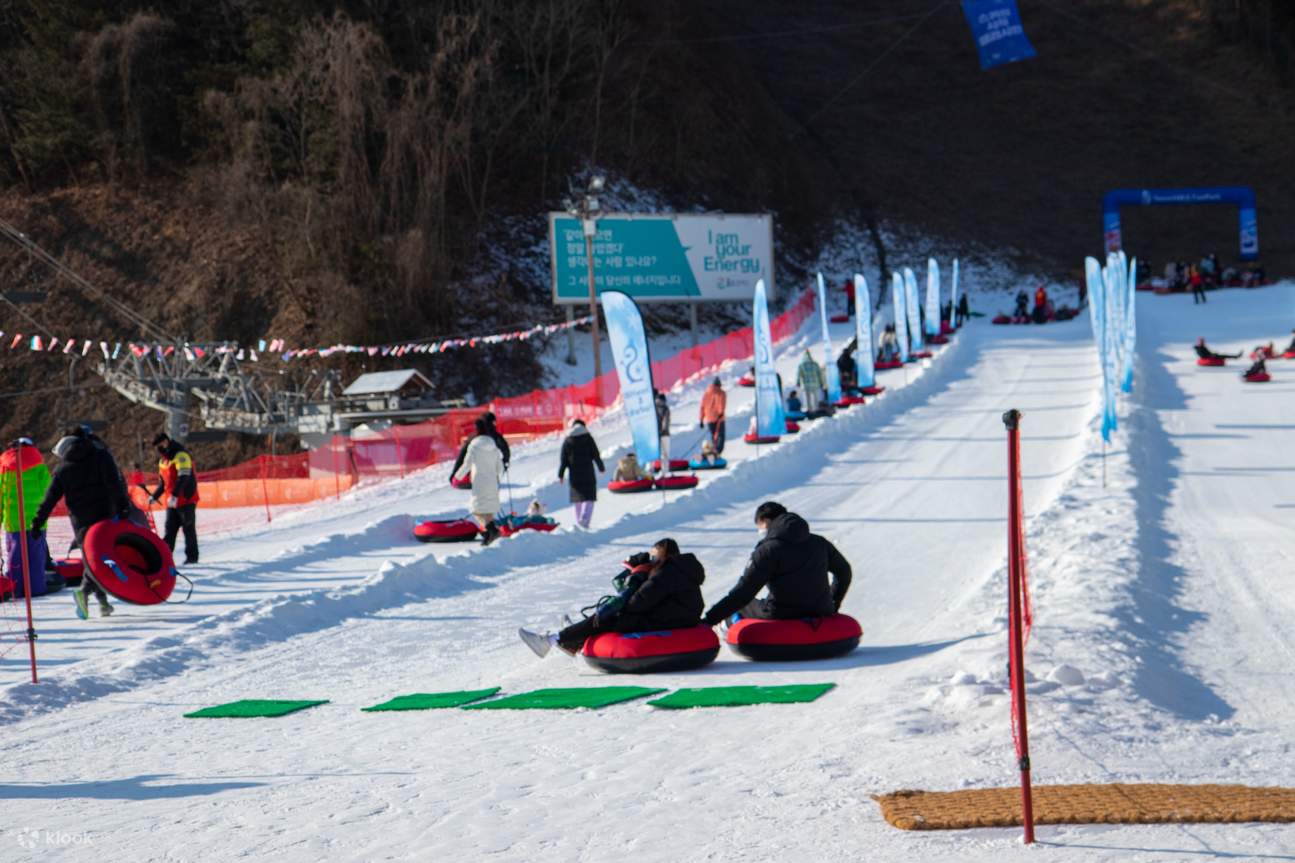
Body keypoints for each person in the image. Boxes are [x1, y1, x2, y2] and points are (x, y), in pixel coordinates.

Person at [518, 538, 704, 657]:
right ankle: (572, 640)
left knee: (609, 618)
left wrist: (636, 578)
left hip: (672, 620)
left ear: (662, 556)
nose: (651, 561)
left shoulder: (665, 574)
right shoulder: (681, 568)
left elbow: (637, 603)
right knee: (613, 617)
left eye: (654, 557)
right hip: (681, 617)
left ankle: (552, 640)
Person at [30, 426, 132, 619]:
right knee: (104, 557)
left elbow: (50, 498)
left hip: (81, 521)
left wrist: (38, 522)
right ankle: (86, 592)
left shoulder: (63, 468)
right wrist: (123, 507)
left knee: (92, 557)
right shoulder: (102, 457)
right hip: (105, 516)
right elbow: (114, 483)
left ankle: (102, 602)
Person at [701, 501, 852, 627]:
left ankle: (732, 629)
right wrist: (833, 602)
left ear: (766, 521)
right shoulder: (819, 542)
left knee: (743, 606)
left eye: (759, 527)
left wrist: (710, 620)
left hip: (781, 613)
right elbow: (844, 571)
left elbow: (744, 592)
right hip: (821, 610)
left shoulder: (767, 550)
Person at [1, 438, 51, 598]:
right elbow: (48, 490)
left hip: (14, 521)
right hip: (37, 520)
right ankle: (37, 589)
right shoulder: (39, 465)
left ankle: (15, 589)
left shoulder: (5, 466)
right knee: (36, 556)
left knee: (15, 557)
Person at [148, 432, 200, 565]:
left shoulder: (181, 455)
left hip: (186, 499)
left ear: (166, 442)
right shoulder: (163, 461)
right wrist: (154, 496)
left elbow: (184, 477)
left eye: (159, 445)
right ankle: (165, 558)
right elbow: (163, 483)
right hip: (171, 502)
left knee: (188, 530)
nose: (158, 450)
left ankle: (192, 558)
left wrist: (176, 495)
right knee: (169, 530)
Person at [452, 417, 503, 545]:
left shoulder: (474, 446)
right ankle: (488, 535)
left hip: (479, 482)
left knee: (476, 510)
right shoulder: (493, 446)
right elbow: (500, 467)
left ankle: (492, 530)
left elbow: (467, 464)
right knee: (488, 510)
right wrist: (497, 477)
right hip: (493, 482)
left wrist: (456, 477)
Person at [558, 418, 604, 529]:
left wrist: (561, 474)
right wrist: (601, 467)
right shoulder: (588, 438)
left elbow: (563, 459)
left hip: (574, 474)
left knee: (577, 498)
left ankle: (579, 521)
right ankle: (585, 520)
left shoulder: (568, 440)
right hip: (588, 472)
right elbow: (595, 454)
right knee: (589, 497)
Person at [450, 411, 509, 480]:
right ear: (492, 423)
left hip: (471, 474)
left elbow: (462, 456)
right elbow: (505, 451)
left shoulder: (473, 436)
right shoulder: (495, 436)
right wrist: (504, 463)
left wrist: (455, 474)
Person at [699, 377, 727, 454]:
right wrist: (721, 413)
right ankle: (717, 452)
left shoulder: (706, 393)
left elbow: (702, 407)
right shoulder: (721, 393)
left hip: (709, 419)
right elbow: (722, 403)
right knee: (720, 435)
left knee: (713, 436)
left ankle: (713, 450)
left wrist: (701, 419)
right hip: (719, 418)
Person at [654, 389, 671, 468]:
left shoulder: (652, 408)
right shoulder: (665, 408)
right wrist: (664, 430)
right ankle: (664, 470)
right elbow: (666, 421)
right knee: (665, 453)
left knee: (654, 453)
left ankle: (652, 470)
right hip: (664, 433)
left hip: (654, 433)